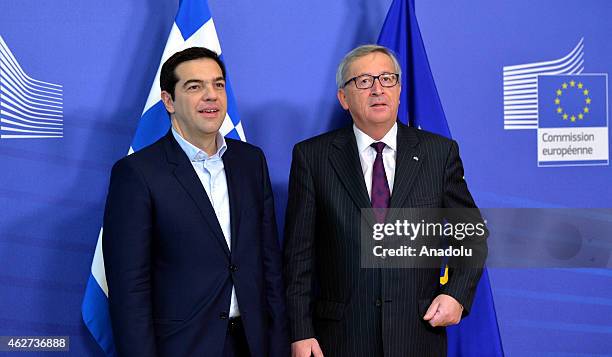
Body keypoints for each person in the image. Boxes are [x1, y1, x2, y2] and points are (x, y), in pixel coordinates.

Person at [283, 44, 487, 357]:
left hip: (418, 334)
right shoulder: (313, 157)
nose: (378, 89)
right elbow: (298, 255)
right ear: (343, 98)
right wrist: (300, 331)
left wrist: (457, 294)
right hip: (340, 338)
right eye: (363, 81)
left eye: (387, 79)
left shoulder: (438, 153)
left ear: (399, 89)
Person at [103, 47, 289, 357]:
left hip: (254, 343)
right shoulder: (137, 173)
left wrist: (279, 343)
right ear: (168, 101)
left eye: (218, 84)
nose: (211, 95)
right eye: (195, 86)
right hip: (183, 345)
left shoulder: (250, 161)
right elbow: (129, 289)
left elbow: (269, 261)